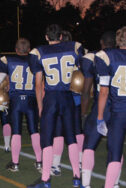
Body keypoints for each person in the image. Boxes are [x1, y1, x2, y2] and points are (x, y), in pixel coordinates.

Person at [28, 24, 84, 188]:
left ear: (46, 37)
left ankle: (46, 180)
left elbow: (38, 84)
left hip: (51, 98)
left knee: (46, 139)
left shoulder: (38, 52)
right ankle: (77, 178)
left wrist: (40, 105)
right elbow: (79, 72)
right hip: (67, 98)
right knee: (72, 138)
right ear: (60, 36)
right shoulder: (74, 47)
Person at [95, 26, 126, 188]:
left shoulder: (107, 56)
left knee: (114, 154)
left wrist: (100, 117)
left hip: (119, 114)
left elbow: (104, 92)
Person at [0, 38, 42, 172]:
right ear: (29, 49)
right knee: (34, 131)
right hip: (31, 100)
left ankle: (15, 163)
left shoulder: (7, 60)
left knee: (16, 132)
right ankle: (39, 162)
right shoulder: (36, 59)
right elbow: (41, 84)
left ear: (16, 50)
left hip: (16, 100)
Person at [80, 31, 123, 188]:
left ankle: (85, 184)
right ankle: (115, 183)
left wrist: (83, 113)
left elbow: (86, 91)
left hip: (101, 107)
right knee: (116, 148)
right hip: (121, 108)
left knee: (89, 146)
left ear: (101, 42)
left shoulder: (94, 57)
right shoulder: (125, 55)